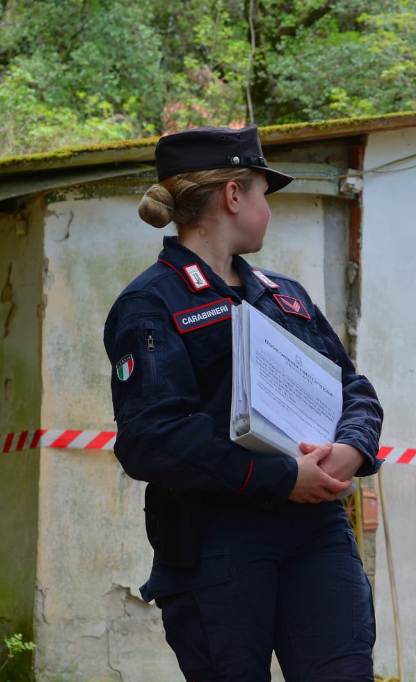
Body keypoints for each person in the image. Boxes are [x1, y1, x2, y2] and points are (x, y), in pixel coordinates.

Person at [102, 124, 383, 681]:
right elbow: (150, 438)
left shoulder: (285, 295)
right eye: (262, 193)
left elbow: (354, 389)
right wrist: (281, 477)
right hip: (216, 544)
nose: (267, 209)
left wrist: (351, 449)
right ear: (233, 195)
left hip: (315, 534)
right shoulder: (150, 303)